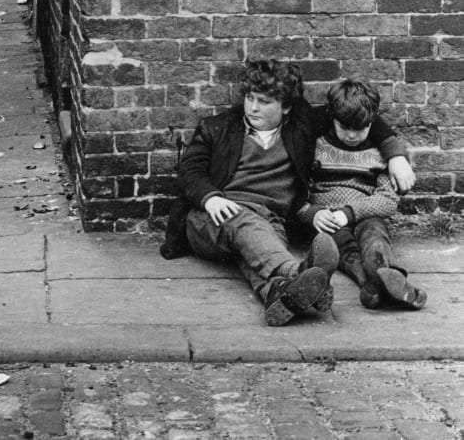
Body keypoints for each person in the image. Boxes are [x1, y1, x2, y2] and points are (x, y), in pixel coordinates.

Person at [160, 59, 415, 327]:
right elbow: (189, 170)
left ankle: (280, 294)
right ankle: (300, 272)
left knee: (254, 254)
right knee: (247, 227)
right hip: (215, 216)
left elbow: (354, 117)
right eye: (249, 98)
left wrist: (395, 154)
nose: (253, 107)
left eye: (264, 101)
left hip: (271, 222)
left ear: (286, 107)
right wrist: (209, 198)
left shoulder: (300, 124)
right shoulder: (218, 126)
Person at [296, 78, 427, 311]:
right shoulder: (315, 145)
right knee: (343, 247)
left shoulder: (379, 151)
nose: (353, 135)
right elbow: (299, 190)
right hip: (328, 217)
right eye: (344, 127)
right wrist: (313, 213)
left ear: (372, 121)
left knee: (375, 236)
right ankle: (379, 285)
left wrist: (350, 212)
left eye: (361, 128)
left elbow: (387, 199)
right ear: (332, 118)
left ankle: (383, 280)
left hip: (366, 211)